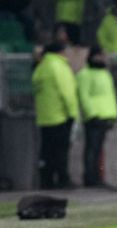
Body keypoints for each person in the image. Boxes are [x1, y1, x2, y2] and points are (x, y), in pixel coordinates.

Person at [32, 42, 79, 189]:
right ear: (60, 52)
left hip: (44, 117)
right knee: (61, 151)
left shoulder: (41, 67)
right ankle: (63, 180)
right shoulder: (59, 66)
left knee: (47, 152)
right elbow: (67, 92)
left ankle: (46, 181)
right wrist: (73, 113)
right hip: (60, 116)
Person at [76, 45, 117, 187]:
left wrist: (113, 115)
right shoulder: (85, 74)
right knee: (92, 149)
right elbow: (84, 96)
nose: (102, 58)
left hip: (105, 116)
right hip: (95, 117)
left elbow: (109, 96)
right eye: (99, 55)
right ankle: (90, 178)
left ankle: (96, 178)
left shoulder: (104, 73)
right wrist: (92, 114)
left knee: (97, 149)